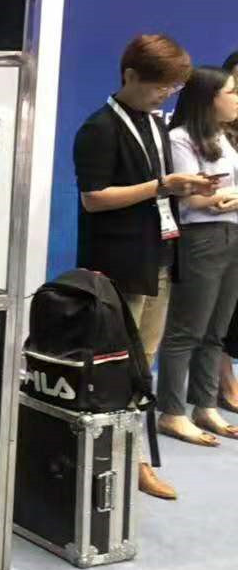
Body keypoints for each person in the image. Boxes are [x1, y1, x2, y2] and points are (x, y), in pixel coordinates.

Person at [74, 34, 219, 500]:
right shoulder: (99, 128)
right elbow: (94, 198)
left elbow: (160, 187)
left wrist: (187, 187)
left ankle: (131, 454)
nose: (166, 95)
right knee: (116, 365)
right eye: (160, 86)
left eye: (173, 88)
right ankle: (116, 458)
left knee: (145, 363)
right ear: (131, 76)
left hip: (159, 256)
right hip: (118, 264)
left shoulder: (156, 123)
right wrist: (162, 186)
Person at [152, 67, 238, 446]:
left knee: (216, 331)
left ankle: (205, 406)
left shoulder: (224, 137)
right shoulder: (181, 138)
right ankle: (172, 412)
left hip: (233, 235)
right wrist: (220, 197)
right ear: (209, 98)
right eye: (232, 92)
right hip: (201, 238)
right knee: (186, 329)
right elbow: (189, 198)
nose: (237, 100)